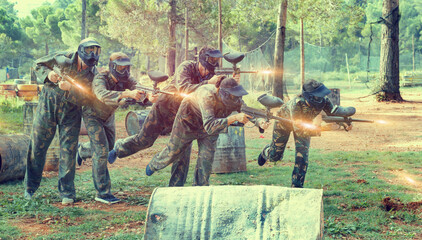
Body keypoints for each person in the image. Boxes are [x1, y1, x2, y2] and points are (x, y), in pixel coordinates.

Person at [108, 46, 226, 186]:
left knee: (182, 151)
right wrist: (208, 83)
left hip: (184, 116)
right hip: (164, 109)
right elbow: (184, 89)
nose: (207, 71)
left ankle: (175, 189)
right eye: (208, 63)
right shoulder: (186, 67)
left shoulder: (212, 76)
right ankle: (119, 148)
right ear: (201, 60)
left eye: (214, 61)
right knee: (144, 140)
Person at [146, 77, 269, 186]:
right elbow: (210, 125)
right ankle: (155, 164)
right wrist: (234, 118)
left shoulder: (235, 100)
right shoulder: (207, 95)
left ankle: (200, 190)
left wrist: (259, 122)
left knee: (206, 160)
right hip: (188, 121)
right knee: (175, 152)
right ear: (224, 93)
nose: (237, 99)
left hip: (211, 125)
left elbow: (246, 110)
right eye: (234, 96)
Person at [24, 38, 102, 205]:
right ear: (80, 52)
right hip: (48, 106)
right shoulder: (63, 57)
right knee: (37, 147)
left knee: (68, 151)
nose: (91, 59)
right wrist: (49, 75)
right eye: (89, 52)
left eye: (95, 52)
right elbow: (39, 65)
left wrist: (71, 89)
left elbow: (89, 97)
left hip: (71, 113)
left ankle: (67, 192)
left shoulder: (93, 74)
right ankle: (30, 188)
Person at [76, 52, 153, 204]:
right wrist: (127, 93)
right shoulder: (101, 78)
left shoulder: (127, 78)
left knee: (109, 146)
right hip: (92, 116)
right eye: (121, 68)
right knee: (101, 152)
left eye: (127, 68)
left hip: (108, 116)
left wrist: (149, 96)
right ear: (112, 67)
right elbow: (102, 95)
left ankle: (83, 150)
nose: (125, 71)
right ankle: (102, 192)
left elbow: (138, 89)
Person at [257, 79, 356, 188]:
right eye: (317, 96)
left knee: (302, 158)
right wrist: (322, 127)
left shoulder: (323, 100)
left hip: (304, 125)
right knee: (274, 157)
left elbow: (332, 112)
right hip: (284, 123)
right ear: (309, 96)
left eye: (321, 95)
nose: (320, 98)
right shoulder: (297, 104)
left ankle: (297, 188)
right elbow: (300, 129)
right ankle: (267, 150)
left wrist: (344, 121)